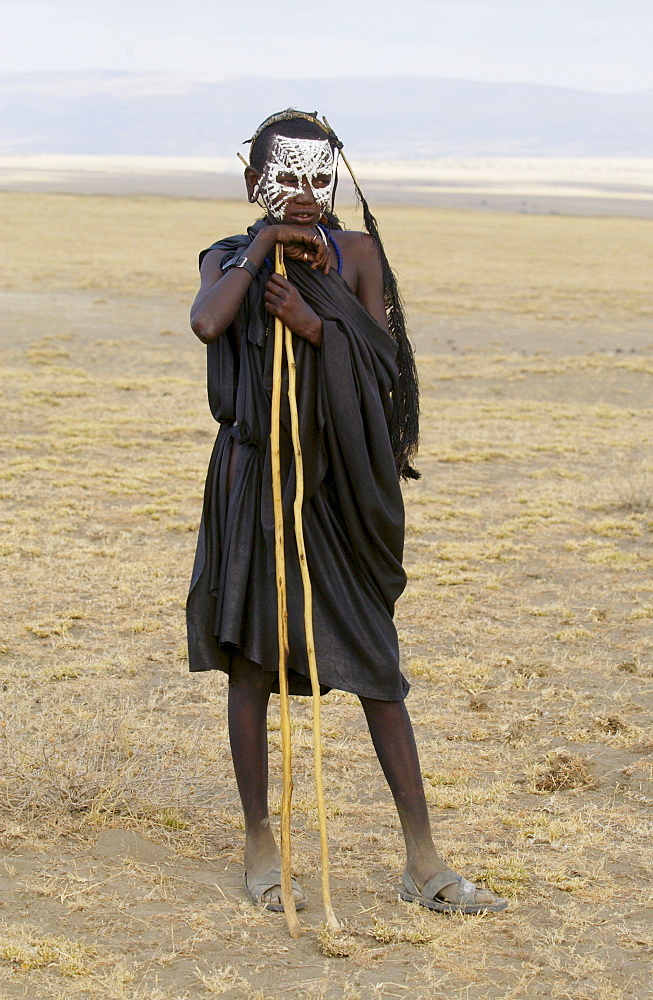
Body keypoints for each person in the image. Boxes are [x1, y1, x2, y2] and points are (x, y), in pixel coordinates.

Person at [187, 110, 507, 915]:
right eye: (285, 179)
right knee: (253, 663)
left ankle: (423, 860)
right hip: (255, 485)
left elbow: (389, 371)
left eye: (316, 176)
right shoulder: (227, 258)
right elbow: (207, 322)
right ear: (253, 182)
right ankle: (261, 844)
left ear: (336, 176)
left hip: (336, 487)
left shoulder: (358, 257)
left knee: (378, 666)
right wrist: (259, 254)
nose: (302, 194)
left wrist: (317, 328)